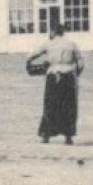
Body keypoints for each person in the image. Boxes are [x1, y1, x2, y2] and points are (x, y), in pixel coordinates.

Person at [27, 17, 84, 145]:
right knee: (69, 106)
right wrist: (76, 74)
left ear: (53, 32)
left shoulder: (48, 43)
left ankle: (46, 135)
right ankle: (68, 136)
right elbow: (80, 63)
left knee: (50, 106)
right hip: (68, 77)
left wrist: (32, 63)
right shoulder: (72, 44)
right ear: (63, 32)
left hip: (53, 76)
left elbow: (31, 55)